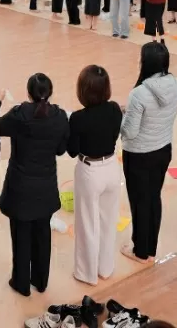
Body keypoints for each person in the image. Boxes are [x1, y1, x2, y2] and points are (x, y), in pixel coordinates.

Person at [0, 75, 69, 295]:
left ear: (28, 93)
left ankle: (21, 283)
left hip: (21, 187)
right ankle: (41, 281)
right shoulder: (60, 116)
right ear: (50, 92)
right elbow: (61, 149)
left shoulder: (19, 114)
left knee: (21, 235)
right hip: (46, 186)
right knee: (43, 234)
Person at [120, 43, 177, 262]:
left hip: (139, 154)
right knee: (153, 198)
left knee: (139, 201)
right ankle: (150, 247)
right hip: (163, 149)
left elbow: (130, 132)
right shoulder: (175, 83)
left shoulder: (139, 93)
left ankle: (140, 250)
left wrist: (122, 118)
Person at [66, 66, 122, 285]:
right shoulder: (115, 109)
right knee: (108, 221)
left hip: (90, 171)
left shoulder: (79, 118)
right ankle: (105, 268)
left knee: (87, 223)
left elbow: (72, 150)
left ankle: (85, 273)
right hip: (111, 167)